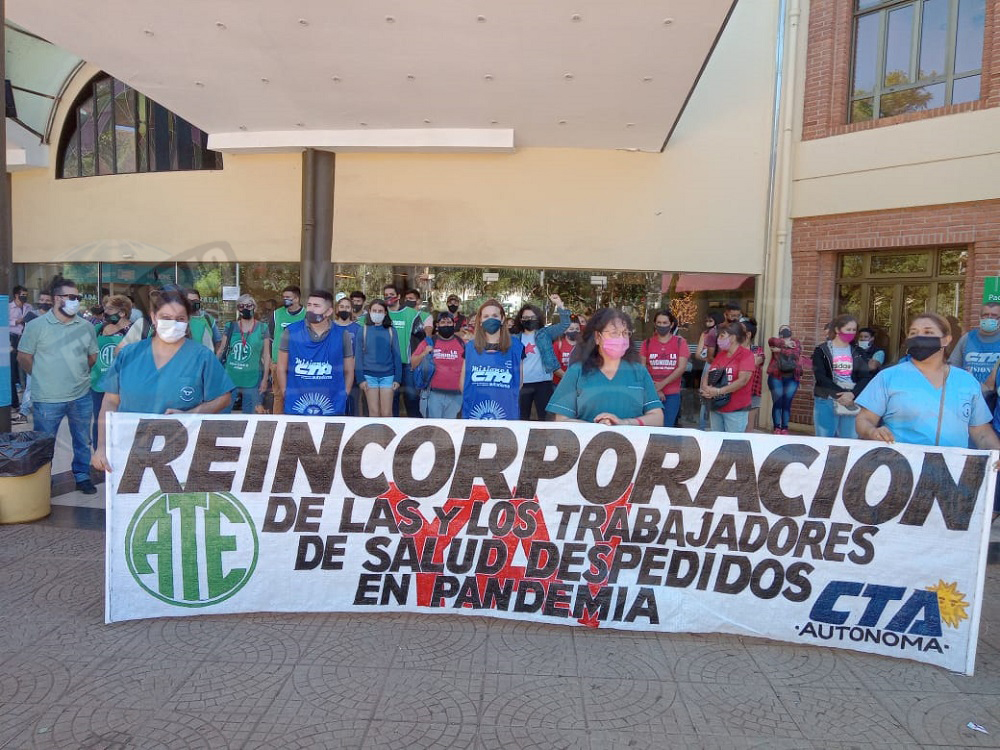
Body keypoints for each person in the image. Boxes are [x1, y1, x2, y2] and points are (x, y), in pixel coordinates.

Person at [91, 288, 235, 473]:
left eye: (180, 319)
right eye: (166, 317)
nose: (173, 323)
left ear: (188, 321)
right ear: (154, 317)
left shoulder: (202, 357)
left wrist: (191, 413)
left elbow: (223, 398)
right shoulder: (129, 355)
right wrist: (102, 446)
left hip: (181, 455)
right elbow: (110, 402)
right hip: (129, 451)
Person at [857, 313, 1000, 454]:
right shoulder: (888, 377)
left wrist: (996, 452)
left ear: (946, 340)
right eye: (913, 333)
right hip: (900, 464)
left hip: (952, 466)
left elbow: (981, 432)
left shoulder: (966, 381)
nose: (919, 337)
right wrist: (872, 432)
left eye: (928, 332)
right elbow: (864, 419)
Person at [17, 278, 99, 493]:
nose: (76, 301)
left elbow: (92, 357)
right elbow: (24, 357)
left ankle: (82, 476)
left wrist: (77, 373)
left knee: (83, 440)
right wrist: (41, 375)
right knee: (44, 443)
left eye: (78, 297)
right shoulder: (36, 326)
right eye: (71, 297)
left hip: (81, 395)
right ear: (56, 299)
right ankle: (44, 479)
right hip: (47, 397)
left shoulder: (86, 327)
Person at [548, 308, 663, 427]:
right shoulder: (577, 371)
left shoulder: (639, 371)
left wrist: (625, 423)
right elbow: (561, 418)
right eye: (614, 333)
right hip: (587, 438)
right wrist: (598, 428)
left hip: (632, 439)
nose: (621, 339)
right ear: (597, 337)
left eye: (625, 333)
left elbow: (657, 417)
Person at [277, 290, 355, 416]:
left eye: (316, 306)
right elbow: (281, 367)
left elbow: (349, 370)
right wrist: (285, 392)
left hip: (333, 405)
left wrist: (344, 394)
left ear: (329, 311)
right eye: (309, 305)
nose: (311, 309)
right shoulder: (291, 332)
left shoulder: (342, 334)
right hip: (296, 405)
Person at [461, 300, 524, 420]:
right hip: (474, 414)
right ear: (480, 320)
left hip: (507, 413)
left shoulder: (516, 347)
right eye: (486, 316)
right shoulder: (470, 347)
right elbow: (463, 384)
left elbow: (519, 383)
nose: (491, 319)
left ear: (502, 319)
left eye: (495, 315)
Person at [512, 294, 571, 420]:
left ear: (538, 318)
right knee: (521, 418)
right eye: (525, 317)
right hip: (522, 384)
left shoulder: (545, 333)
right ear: (520, 320)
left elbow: (565, 324)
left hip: (543, 383)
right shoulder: (515, 338)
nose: (529, 320)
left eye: (532, 317)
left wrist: (559, 304)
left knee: (546, 419)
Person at [811, 314, 869, 439]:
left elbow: (865, 377)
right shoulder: (821, 350)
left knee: (849, 440)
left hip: (851, 400)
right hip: (827, 399)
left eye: (854, 330)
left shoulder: (858, 352)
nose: (851, 333)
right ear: (837, 330)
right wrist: (840, 394)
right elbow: (820, 376)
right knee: (825, 440)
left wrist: (852, 394)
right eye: (848, 329)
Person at [382, 283, 433, 417]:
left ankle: (414, 427)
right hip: (389, 365)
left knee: (412, 399)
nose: (388, 297)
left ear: (398, 296)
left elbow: (424, 330)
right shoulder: (382, 313)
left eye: (391, 295)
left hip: (408, 365)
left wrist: (417, 357)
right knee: (392, 400)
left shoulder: (411, 314)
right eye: (386, 295)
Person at [90, 295, 133, 444]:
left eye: (110, 309)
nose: (105, 312)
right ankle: (99, 451)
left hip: (124, 385)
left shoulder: (134, 331)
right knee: (99, 420)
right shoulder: (99, 329)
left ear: (122, 312)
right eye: (105, 308)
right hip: (98, 383)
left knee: (122, 421)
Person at [699, 321, 756, 433]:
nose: (719, 339)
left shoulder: (746, 355)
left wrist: (719, 391)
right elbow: (709, 373)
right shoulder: (721, 355)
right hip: (717, 406)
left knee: (733, 442)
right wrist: (706, 388)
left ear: (733, 337)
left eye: (722, 336)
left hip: (736, 409)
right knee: (716, 440)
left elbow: (743, 380)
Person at [220, 294, 271, 414]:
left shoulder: (262, 328)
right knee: (223, 413)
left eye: (249, 305)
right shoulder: (230, 326)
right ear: (238, 309)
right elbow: (221, 350)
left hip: (253, 377)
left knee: (251, 415)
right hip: (230, 376)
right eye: (241, 306)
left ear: (255, 307)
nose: (245, 309)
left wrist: (265, 379)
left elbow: (266, 355)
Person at [639, 309, 688, 427]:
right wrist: (656, 389)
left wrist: (662, 384)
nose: (661, 326)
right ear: (655, 324)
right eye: (659, 323)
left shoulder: (680, 342)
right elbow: (642, 368)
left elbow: (681, 368)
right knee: (648, 428)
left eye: (665, 323)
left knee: (666, 428)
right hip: (649, 393)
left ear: (671, 324)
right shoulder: (647, 343)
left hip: (672, 394)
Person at [411, 311, 465, 419]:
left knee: (451, 427)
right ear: (437, 325)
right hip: (433, 394)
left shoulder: (462, 343)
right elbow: (413, 364)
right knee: (433, 427)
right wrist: (424, 353)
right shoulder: (429, 342)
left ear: (454, 324)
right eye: (443, 322)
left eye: (449, 322)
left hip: (456, 396)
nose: (446, 325)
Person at [355, 299, 401, 418]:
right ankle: (375, 432)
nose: (377, 313)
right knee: (374, 413)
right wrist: (360, 378)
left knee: (387, 413)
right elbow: (358, 357)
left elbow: (397, 356)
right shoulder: (363, 330)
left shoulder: (391, 331)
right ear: (369, 311)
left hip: (388, 376)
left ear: (385, 313)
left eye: (380, 311)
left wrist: (397, 378)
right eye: (374, 310)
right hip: (369, 376)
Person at [269, 285, 307, 414]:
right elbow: (271, 337)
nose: (285, 299)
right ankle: (278, 422)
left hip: (299, 363)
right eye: (284, 297)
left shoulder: (306, 315)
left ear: (296, 299)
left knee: (300, 394)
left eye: (288, 297)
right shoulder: (276, 314)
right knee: (279, 396)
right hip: (278, 362)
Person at [949, 302, 1000, 387]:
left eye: (994, 315)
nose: (989, 318)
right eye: (985, 315)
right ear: (980, 317)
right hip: (969, 392)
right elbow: (952, 367)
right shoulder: (967, 338)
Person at [767, 323, 803, 435]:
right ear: (779, 333)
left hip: (792, 377)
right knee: (777, 402)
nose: (785, 331)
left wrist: (779, 350)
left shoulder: (796, 342)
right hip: (776, 376)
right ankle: (777, 427)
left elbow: (795, 354)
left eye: (787, 329)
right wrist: (785, 344)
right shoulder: (775, 341)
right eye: (783, 330)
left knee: (787, 403)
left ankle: (785, 428)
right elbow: (771, 340)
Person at [334, 295, 363, 415]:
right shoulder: (330, 327)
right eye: (341, 307)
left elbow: (359, 352)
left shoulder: (358, 329)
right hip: (333, 372)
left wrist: (350, 369)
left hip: (352, 373)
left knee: (352, 404)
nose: (344, 309)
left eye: (347, 307)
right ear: (337, 309)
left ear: (351, 310)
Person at [8, 285, 32, 423]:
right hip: (12, 338)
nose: (24, 297)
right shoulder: (8, 307)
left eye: (26, 294)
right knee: (12, 371)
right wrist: (16, 321)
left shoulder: (28, 307)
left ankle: (26, 401)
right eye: (22, 294)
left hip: (25, 337)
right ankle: (15, 402)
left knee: (26, 369)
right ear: (16, 295)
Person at [185, 289, 223, 353]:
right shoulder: (181, 320)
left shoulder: (208, 318)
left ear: (199, 302)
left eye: (195, 301)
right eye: (189, 301)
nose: (192, 303)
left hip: (206, 357)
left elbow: (218, 341)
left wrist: (215, 356)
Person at [552, 315, 581, 384]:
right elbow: (554, 367)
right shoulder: (557, 345)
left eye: (577, 329)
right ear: (564, 330)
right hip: (559, 384)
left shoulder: (583, 345)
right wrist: (568, 378)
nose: (574, 331)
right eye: (571, 329)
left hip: (578, 384)